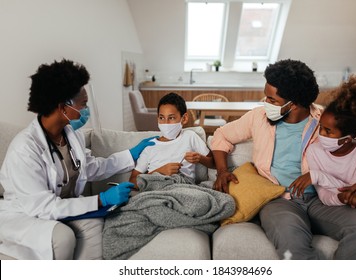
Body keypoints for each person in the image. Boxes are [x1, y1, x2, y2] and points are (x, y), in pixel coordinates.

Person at [211, 59, 356, 259]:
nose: (265, 102)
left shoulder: (327, 121)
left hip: (323, 199)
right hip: (279, 200)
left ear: (293, 104)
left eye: (272, 100)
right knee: (291, 243)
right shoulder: (258, 117)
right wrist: (222, 170)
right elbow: (222, 135)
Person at [0, 59, 156, 260]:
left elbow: (89, 168)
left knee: (95, 226)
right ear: (63, 106)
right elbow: (44, 207)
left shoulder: (71, 135)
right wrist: (101, 199)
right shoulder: (25, 149)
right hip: (28, 215)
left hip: (65, 206)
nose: (86, 108)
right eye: (83, 104)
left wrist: (130, 154)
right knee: (63, 237)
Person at [289, 75, 356, 259]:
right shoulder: (314, 151)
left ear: (348, 138)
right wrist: (341, 195)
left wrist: (318, 176)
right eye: (321, 128)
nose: (321, 135)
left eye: (328, 131)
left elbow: (353, 191)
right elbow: (327, 197)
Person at [129, 92, 214, 188]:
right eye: (161, 118)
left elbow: (213, 163)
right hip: (156, 190)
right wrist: (159, 172)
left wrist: (200, 158)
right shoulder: (150, 146)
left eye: (171, 118)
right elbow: (132, 181)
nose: (166, 123)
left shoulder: (190, 137)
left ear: (184, 118)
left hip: (184, 188)